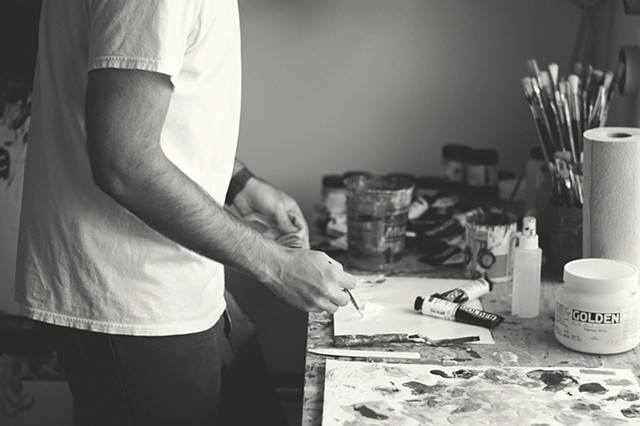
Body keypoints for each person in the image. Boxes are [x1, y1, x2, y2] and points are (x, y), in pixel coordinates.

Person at [14, 1, 357, 425]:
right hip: (131, 300)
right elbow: (125, 162)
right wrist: (277, 266)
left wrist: (238, 183)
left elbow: (142, 120)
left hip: (178, 278)